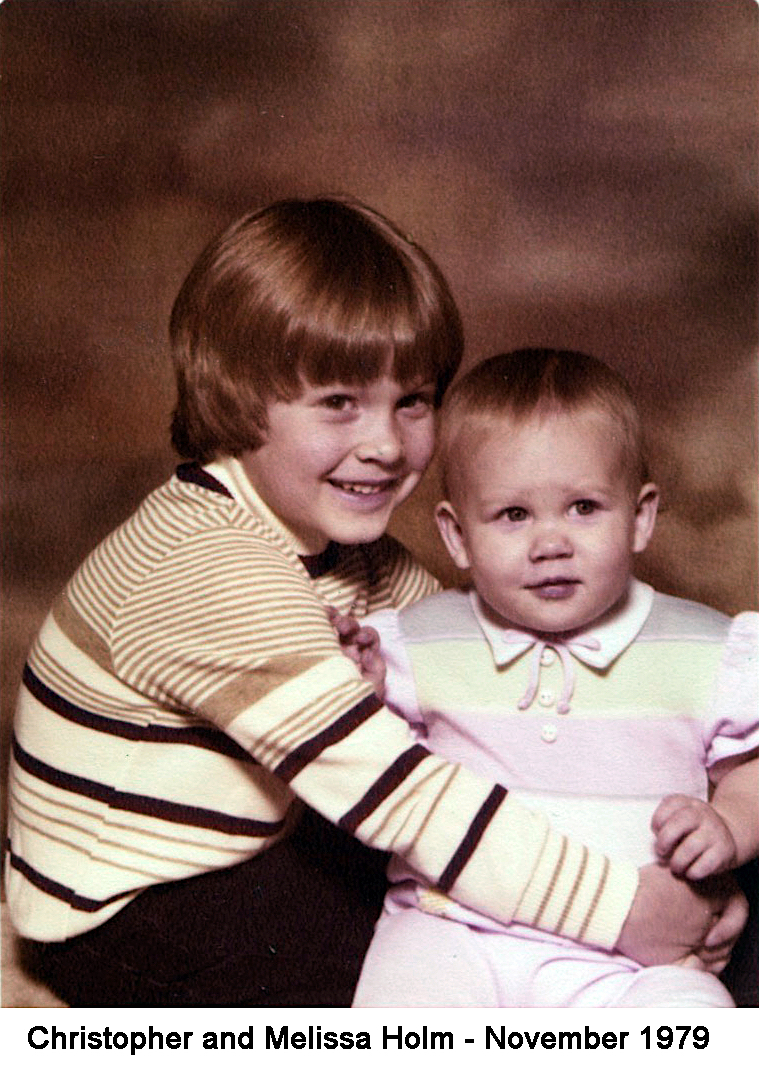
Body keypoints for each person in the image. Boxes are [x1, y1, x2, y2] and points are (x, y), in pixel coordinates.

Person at [4, 204, 745, 1007]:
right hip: (133, 914)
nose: (386, 445)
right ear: (238, 394)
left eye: (414, 400)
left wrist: (704, 879)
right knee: (428, 940)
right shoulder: (205, 565)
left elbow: (480, 692)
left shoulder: (358, 558)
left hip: (267, 849)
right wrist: (626, 911)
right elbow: (405, 794)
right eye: (338, 403)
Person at [352, 349, 758, 1008]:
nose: (550, 542)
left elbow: (750, 768)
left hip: (631, 958)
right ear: (457, 537)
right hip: (449, 927)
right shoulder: (421, 638)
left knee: (696, 1023)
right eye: (513, 515)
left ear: (640, 516)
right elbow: (364, 758)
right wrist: (361, 687)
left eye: (582, 507)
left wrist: (729, 823)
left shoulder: (703, 645)